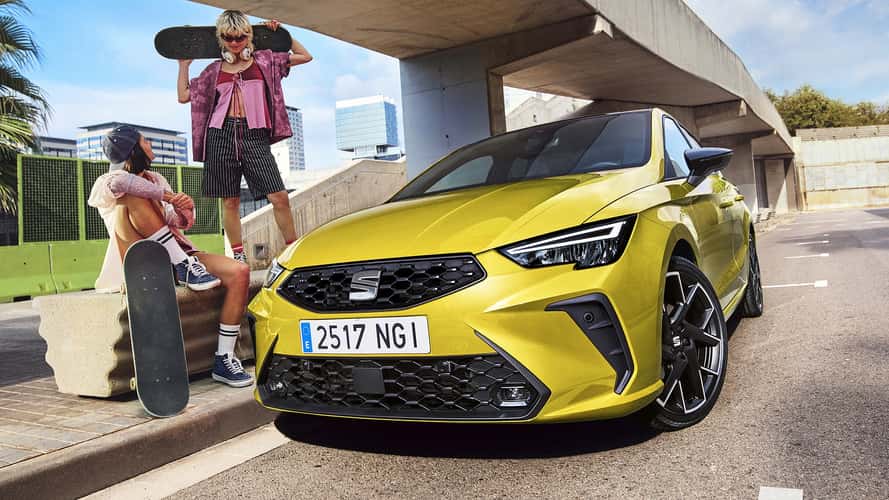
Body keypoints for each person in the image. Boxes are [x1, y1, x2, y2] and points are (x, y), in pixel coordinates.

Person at [88, 125, 254, 388]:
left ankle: (224, 358)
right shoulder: (108, 182)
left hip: (175, 252)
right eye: (145, 141)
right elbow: (123, 183)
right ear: (133, 149)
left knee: (240, 272)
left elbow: (173, 220)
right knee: (133, 195)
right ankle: (182, 265)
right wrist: (168, 196)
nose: (150, 144)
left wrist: (185, 209)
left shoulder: (156, 179)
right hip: (137, 256)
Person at [177, 10, 313, 264]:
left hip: (254, 134)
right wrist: (184, 65)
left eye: (240, 36)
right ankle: (239, 256)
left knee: (279, 196)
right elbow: (184, 96)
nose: (235, 42)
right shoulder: (213, 70)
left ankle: (293, 250)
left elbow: (305, 56)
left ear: (249, 36)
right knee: (230, 201)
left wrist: (283, 35)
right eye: (229, 38)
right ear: (221, 39)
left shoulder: (265, 62)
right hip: (220, 135)